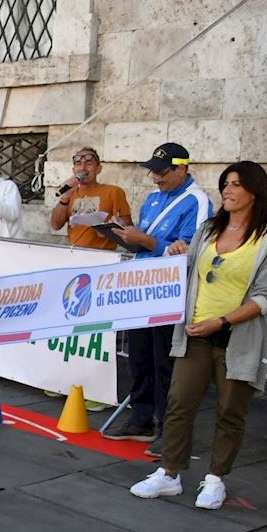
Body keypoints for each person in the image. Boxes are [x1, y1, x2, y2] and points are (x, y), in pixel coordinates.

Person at [129, 162, 267, 507]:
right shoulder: (208, 229)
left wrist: (223, 321)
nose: (227, 191)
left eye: (235, 184)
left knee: (230, 411)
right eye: (225, 184)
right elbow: (191, 270)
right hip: (195, 332)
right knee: (179, 403)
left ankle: (216, 479)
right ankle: (169, 473)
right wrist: (176, 252)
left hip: (237, 337)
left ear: (255, 191)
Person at [103, 142, 212, 451]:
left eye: (162, 172)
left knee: (164, 362)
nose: (155, 178)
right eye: (153, 171)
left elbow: (195, 253)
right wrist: (124, 233)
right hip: (141, 286)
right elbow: (147, 243)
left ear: (182, 168)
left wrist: (148, 241)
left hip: (169, 292)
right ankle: (141, 418)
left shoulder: (198, 201)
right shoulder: (152, 199)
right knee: (139, 358)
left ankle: (168, 427)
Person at [48, 148, 133, 249]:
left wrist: (106, 229)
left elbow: (127, 228)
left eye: (88, 163)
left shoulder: (113, 191)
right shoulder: (70, 193)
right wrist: (64, 199)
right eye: (78, 164)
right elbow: (56, 226)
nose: (83, 168)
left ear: (98, 169)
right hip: (74, 253)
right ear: (73, 170)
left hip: (103, 255)